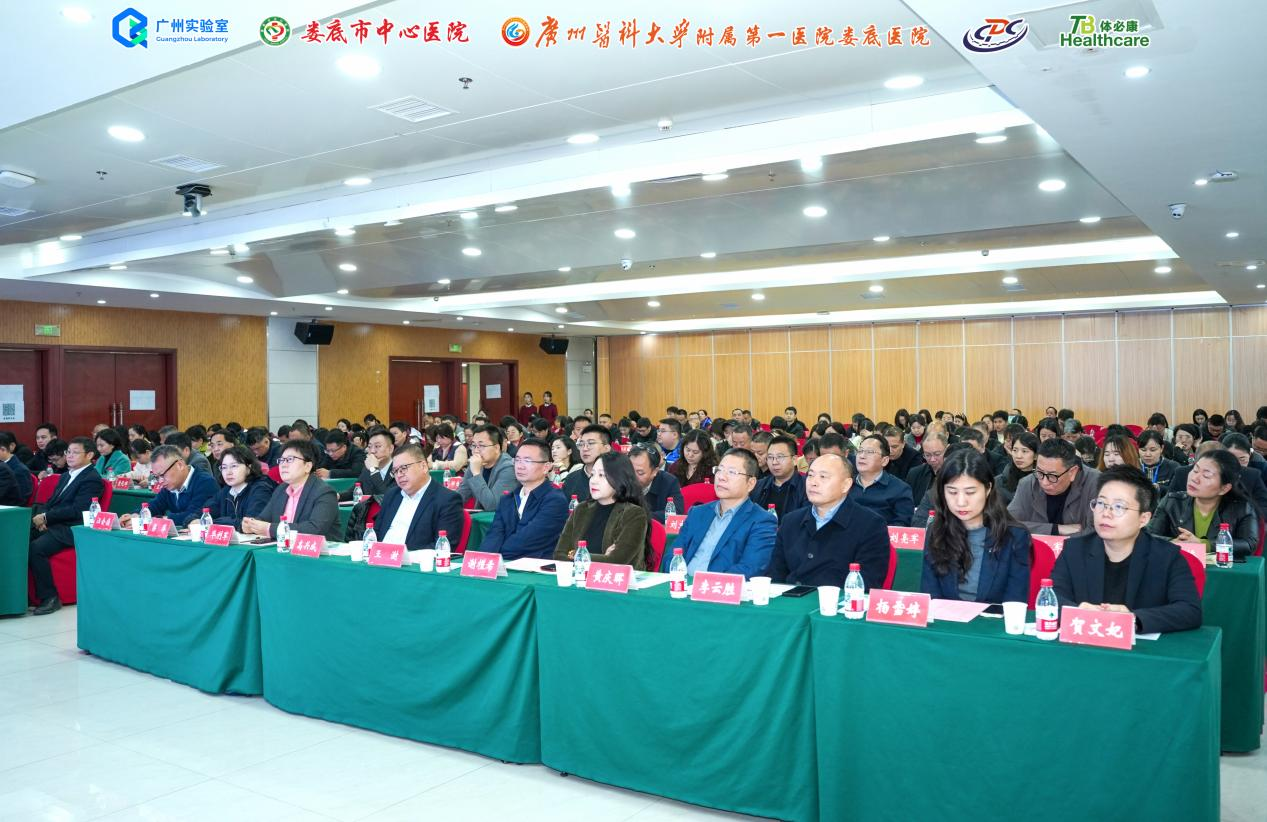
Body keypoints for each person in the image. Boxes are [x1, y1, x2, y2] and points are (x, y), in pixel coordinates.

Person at [1052, 466, 1202, 634]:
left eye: (1118, 507)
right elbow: (1052, 597)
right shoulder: (1074, 550)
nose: (1106, 513)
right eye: (1101, 503)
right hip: (1086, 641)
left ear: (1143, 519)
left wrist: (1133, 619)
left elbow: (1190, 610)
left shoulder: (1167, 557)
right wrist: (1078, 611)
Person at [764, 453, 890, 589]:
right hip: (789, 599)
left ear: (846, 485)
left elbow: (866, 584)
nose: (813, 482)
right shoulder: (791, 521)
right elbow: (775, 575)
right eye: (810, 475)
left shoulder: (870, 525)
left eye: (823, 477)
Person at [921, 449, 1030, 603]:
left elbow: (1015, 600)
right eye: (952, 492)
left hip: (993, 617)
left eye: (970, 492)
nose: (961, 502)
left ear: (988, 489)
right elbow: (930, 594)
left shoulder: (1014, 536)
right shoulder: (936, 530)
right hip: (945, 616)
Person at [666, 449, 775, 578]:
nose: (721, 477)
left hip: (718, 588)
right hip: (683, 584)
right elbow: (673, 555)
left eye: (732, 472)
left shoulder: (762, 521)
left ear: (750, 483)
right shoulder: (697, 512)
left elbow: (750, 568)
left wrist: (705, 584)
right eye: (719, 470)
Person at [27, 437, 103, 615]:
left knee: (36, 548)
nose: (69, 456)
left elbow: (78, 510)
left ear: (89, 455)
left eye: (75, 452)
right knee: (18, 539)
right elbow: (50, 502)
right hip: (55, 523)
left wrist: (46, 517)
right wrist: (42, 517)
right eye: (68, 452)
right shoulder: (66, 476)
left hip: (72, 528)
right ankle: (22, 593)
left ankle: (50, 597)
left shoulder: (91, 479)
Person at [1149, 450, 1261, 557]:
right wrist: (1173, 542)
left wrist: (1204, 545)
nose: (1195, 478)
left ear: (1224, 488)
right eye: (1195, 470)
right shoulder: (1172, 501)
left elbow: (1248, 544)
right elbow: (1148, 535)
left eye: (1206, 476)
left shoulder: (1242, 508)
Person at [554, 452, 651, 569]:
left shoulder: (634, 514)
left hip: (615, 579)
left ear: (619, 478)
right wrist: (603, 557)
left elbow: (616, 561)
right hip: (578, 577)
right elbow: (559, 555)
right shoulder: (581, 509)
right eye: (592, 474)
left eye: (601, 475)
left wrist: (574, 554)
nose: (593, 481)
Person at [482, 438, 568, 560]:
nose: (520, 466)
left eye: (527, 461)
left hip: (536, 566)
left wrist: (498, 556)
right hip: (504, 562)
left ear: (546, 467)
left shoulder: (555, 500)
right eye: (517, 460)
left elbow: (527, 540)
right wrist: (484, 558)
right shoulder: (508, 499)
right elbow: (494, 535)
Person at [241, 440, 340, 541]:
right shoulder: (281, 489)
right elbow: (264, 518)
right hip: (285, 546)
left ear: (307, 466)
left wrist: (269, 528)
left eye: (290, 459)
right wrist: (252, 524)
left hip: (318, 549)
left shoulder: (324, 492)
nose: (283, 465)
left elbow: (314, 529)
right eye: (281, 460)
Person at [371, 443, 463, 551]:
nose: (399, 475)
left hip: (412, 559)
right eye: (395, 471)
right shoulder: (391, 495)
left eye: (404, 468)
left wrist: (405, 556)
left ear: (423, 466)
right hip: (380, 556)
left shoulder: (447, 500)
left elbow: (443, 546)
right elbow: (376, 534)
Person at [1007, 438, 1100, 537]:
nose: (1044, 482)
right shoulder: (1028, 483)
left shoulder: (1096, 484)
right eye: (1039, 472)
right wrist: (1055, 529)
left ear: (1072, 472)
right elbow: (1007, 523)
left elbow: (1098, 531)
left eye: (1052, 476)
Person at [116, 444, 218, 531]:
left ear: (180, 465)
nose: (160, 481)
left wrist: (155, 520)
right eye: (156, 477)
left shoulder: (205, 482)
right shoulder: (170, 485)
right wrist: (136, 515)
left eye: (162, 475)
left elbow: (193, 516)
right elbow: (155, 505)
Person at [847, 434, 914, 526]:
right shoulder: (845, 485)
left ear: (884, 460)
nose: (862, 456)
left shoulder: (900, 489)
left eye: (870, 452)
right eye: (860, 451)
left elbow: (902, 524)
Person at [209, 446, 276, 530]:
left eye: (234, 466)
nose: (228, 472)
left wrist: (211, 522)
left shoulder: (261, 489)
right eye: (224, 467)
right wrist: (197, 519)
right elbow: (205, 512)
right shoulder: (227, 490)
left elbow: (250, 524)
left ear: (249, 468)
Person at [459, 424, 518, 512]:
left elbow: (493, 505)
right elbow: (462, 494)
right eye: (474, 445)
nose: (476, 451)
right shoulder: (477, 464)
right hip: (481, 517)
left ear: (497, 448)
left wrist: (476, 473)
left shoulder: (509, 468)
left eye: (481, 446)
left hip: (501, 518)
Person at [750, 434, 808, 519]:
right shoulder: (758, 486)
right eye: (770, 457)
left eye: (780, 457)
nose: (774, 462)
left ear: (794, 460)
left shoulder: (807, 487)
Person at [628, 444, 684, 520]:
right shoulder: (621, 479)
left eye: (640, 473)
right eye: (630, 470)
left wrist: (640, 517)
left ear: (655, 471)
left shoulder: (669, 482)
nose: (633, 476)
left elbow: (676, 512)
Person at [562, 424, 612, 503]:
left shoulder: (616, 478)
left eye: (591, 443)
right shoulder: (571, 479)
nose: (585, 448)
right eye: (581, 444)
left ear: (606, 448)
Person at [907, 433, 950, 525]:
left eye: (937, 454)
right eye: (927, 455)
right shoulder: (915, 473)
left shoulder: (955, 475)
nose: (932, 459)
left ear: (947, 450)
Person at [997, 431, 1038, 506]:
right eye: (1015, 450)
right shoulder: (1000, 481)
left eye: (1024, 451)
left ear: (1036, 455)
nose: (1018, 456)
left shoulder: (1042, 480)